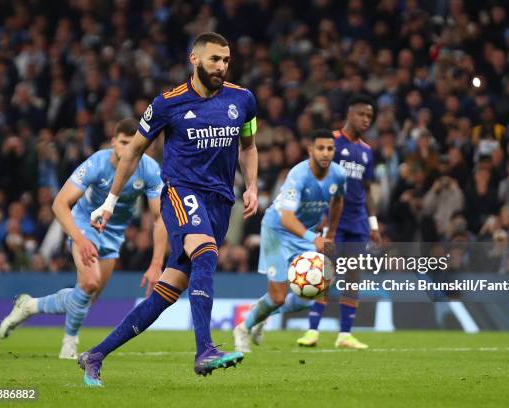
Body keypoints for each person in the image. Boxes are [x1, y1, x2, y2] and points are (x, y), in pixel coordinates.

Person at [78, 32, 258, 386]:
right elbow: (133, 152)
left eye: (226, 60)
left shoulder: (243, 99)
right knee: (205, 253)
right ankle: (205, 349)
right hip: (181, 191)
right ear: (194, 59)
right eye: (214, 60)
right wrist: (110, 202)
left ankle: (95, 355)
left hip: (220, 201)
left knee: (167, 291)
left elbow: (248, 145)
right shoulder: (167, 103)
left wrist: (252, 184)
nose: (221, 66)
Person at [0, 118, 166, 360]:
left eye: (133, 144)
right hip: (85, 225)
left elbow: (160, 219)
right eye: (123, 142)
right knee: (89, 283)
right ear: (113, 142)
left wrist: (156, 263)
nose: (128, 148)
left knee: (87, 297)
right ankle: (70, 342)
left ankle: (29, 306)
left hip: (114, 235)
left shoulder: (149, 169)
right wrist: (79, 238)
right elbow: (60, 203)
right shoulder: (97, 163)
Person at [233, 129, 346, 353]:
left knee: (309, 295)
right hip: (278, 231)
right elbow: (286, 218)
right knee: (278, 297)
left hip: (305, 233)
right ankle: (243, 328)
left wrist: (331, 234)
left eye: (330, 149)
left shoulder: (338, 175)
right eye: (321, 148)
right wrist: (314, 238)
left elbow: (337, 202)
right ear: (310, 150)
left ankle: (261, 312)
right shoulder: (298, 176)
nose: (325, 153)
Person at [297, 95, 378, 349]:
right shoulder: (330, 143)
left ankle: (345, 334)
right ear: (349, 113)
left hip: (358, 224)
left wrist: (374, 225)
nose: (366, 120)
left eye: (369, 116)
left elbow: (367, 190)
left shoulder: (366, 151)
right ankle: (312, 331)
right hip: (333, 222)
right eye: (361, 114)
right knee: (325, 274)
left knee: (353, 277)